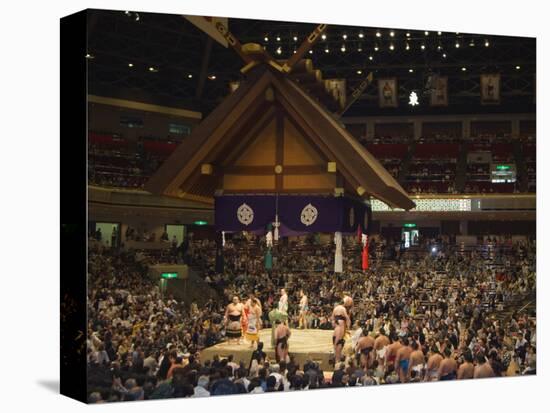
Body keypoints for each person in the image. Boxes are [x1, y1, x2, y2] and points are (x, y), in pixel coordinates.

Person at [331, 296, 352, 364]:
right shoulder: (343, 309)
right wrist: (349, 326)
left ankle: (336, 357)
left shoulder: (336, 308)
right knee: (339, 342)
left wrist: (334, 324)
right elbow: (347, 318)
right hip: (340, 327)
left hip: (336, 327)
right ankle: (337, 359)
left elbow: (332, 318)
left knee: (336, 342)